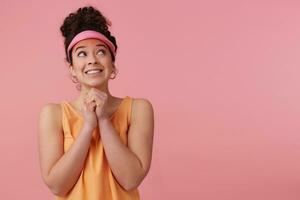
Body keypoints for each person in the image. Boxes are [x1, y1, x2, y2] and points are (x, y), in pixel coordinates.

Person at [38, 6, 154, 200]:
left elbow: (131, 179)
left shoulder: (138, 109)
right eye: (82, 54)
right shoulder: (53, 114)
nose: (92, 60)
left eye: (101, 52)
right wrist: (88, 126)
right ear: (72, 68)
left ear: (113, 64)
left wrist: (104, 121)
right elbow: (57, 186)